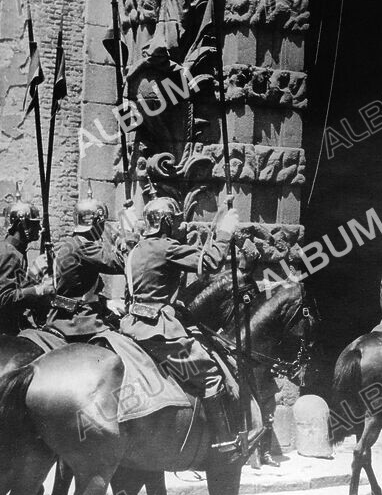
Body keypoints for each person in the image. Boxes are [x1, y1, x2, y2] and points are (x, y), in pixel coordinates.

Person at [120, 196, 248, 456]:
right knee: (210, 373)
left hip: (131, 325)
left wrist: (219, 214)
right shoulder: (166, 247)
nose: (179, 225)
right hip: (157, 330)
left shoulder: (137, 248)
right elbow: (210, 263)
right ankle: (224, 442)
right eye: (175, 220)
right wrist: (225, 231)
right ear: (166, 221)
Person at [43, 191, 125, 340]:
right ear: (98, 223)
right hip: (78, 320)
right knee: (120, 345)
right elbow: (121, 264)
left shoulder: (71, 243)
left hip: (61, 315)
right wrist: (125, 237)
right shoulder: (85, 247)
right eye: (103, 223)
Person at [0, 192, 53, 335]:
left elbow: (16, 287)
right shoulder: (9, 254)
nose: (40, 228)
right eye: (35, 224)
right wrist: (39, 289)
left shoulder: (17, 251)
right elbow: (4, 299)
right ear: (22, 224)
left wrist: (34, 273)